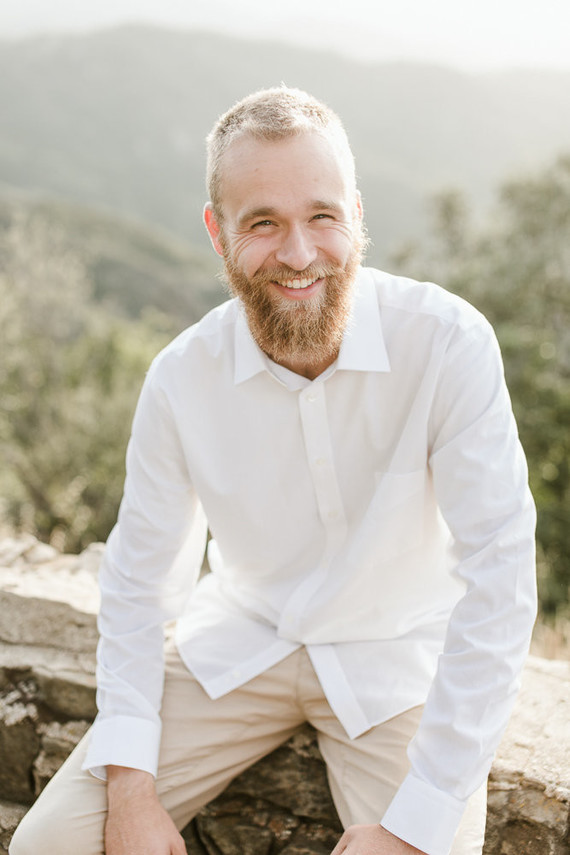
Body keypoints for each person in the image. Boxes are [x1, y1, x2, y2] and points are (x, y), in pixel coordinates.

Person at [9, 86, 536, 855]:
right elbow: (137, 587)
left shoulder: (448, 343)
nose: (297, 253)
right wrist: (130, 789)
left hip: (397, 660)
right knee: (50, 846)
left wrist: (414, 827)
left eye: (322, 216)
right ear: (216, 232)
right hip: (240, 643)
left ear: (357, 215)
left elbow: (501, 575)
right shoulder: (181, 378)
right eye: (262, 223)